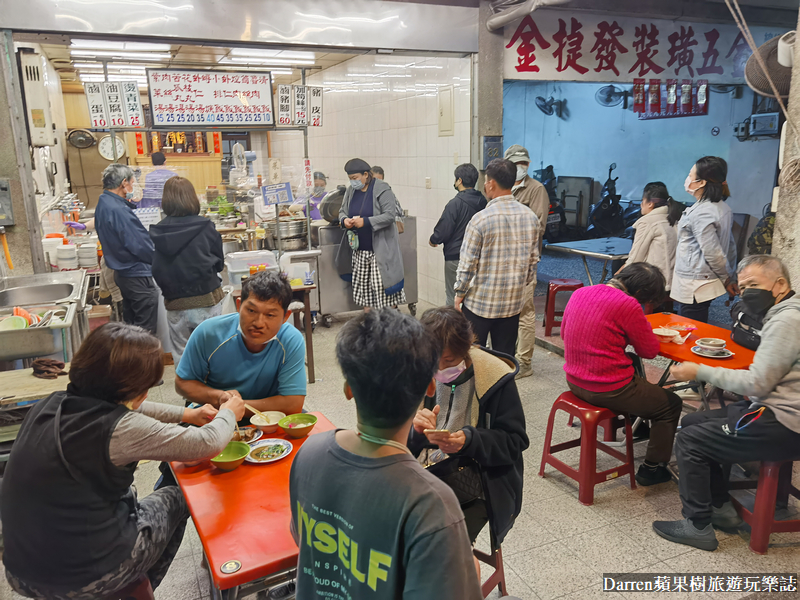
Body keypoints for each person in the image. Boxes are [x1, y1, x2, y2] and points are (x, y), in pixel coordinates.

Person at [1, 323, 245, 599]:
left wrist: (187, 415)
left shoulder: (52, 403)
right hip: (86, 574)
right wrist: (229, 413)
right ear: (134, 390)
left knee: (123, 494)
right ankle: (134, 586)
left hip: (20, 570)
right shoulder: (118, 428)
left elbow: (125, 408)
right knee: (180, 498)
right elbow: (206, 444)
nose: (147, 394)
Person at [289, 309, 483, 600]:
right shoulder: (432, 505)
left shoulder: (309, 454)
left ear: (348, 389)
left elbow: (302, 540)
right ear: (430, 386)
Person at [654, 255, 800, 551]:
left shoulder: (787, 320)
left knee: (691, 440)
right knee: (693, 421)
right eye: (743, 287)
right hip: (772, 406)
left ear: (781, 285)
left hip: (786, 421)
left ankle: (697, 526)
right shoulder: (782, 314)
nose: (747, 293)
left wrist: (699, 371)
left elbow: (757, 383)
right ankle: (719, 507)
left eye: (754, 284)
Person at [409, 307, 529, 546]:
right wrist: (416, 432)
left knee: (441, 546)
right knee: (389, 523)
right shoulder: (420, 370)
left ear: (466, 349)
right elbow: (397, 441)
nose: (440, 368)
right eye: (433, 360)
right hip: (426, 474)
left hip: (478, 482)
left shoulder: (495, 378)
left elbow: (515, 441)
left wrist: (470, 441)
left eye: (449, 361)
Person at [561, 262, 682, 486]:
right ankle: (652, 469)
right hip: (607, 389)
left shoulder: (581, 292)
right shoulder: (628, 304)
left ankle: (639, 424)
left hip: (574, 380)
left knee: (632, 362)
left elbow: (564, 333)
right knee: (671, 404)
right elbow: (649, 351)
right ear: (640, 293)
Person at [175, 271, 306, 415]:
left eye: (270, 315)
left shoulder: (290, 340)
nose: (259, 323)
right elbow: (182, 383)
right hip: (215, 414)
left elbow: (293, 404)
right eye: (251, 310)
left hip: (269, 417)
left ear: (285, 317)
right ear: (238, 305)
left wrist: (237, 407)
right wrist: (219, 397)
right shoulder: (209, 333)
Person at [454, 158, 539, 358]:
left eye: (485, 181)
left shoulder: (480, 219)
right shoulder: (531, 217)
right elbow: (532, 263)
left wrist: (459, 294)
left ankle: (479, 381)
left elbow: (467, 265)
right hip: (512, 305)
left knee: (474, 358)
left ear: (491, 184)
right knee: (505, 359)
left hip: (479, 305)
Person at [149, 176, 225, 365]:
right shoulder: (205, 227)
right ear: (192, 198)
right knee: (212, 354)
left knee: (182, 355)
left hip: (175, 303)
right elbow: (219, 263)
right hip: (206, 300)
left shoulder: (159, 231)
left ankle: (187, 385)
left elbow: (156, 268)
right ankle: (211, 385)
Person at [670, 156, 738, 323]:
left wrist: (726, 278)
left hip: (695, 282)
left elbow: (713, 252)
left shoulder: (702, 212)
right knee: (695, 323)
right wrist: (730, 275)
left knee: (690, 327)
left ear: (701, 182)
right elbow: (730, 246)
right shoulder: (722, 207)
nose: (687, 179)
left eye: (690, 175)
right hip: (701, 279)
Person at [94, 163, 159, 334]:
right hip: (136, 275)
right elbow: (139, 245)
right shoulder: (118, 210)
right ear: (124, 183)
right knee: (144, 332)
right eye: (132, 182)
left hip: (124, 274)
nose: (133, 186)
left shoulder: (105, 202)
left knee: (131, 328)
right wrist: (161, 261)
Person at [504, 145, 549, 379]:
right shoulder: (503, 186)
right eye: (516, 164)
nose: (521, 167)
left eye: (524, 163)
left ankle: (524, 362)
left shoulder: (536, 189)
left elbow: (538, 226)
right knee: (506, 311)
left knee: (524, 312)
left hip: (524, 262)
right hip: (503, 260)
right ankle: (507, 356)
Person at [336, 158, 406, 309]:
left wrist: (365, 221)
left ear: (366, 174)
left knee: (383, 294)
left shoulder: (382, 189)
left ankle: (390, 322)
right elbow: (342, 211)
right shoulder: (351, 191)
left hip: (379, 251)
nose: (353, 181)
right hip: (359, 251)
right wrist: (344, 220)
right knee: (366, 296)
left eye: (355, 178)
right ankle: (370, 322)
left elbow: (389, 215)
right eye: (350, 178)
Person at [429, 163, 487, 306]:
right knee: (474, 298)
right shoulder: (483, 202)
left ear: (459, 180)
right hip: (478, 257)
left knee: (453, 296)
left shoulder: (454, 204)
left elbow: (444, 230)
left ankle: (454, 321)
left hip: (456, 257)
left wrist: (433, 240)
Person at [617, 182, 684, 292]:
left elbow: (636, 258)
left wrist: (618, 277)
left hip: (655, 283)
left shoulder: (647, 222)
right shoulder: (674, 219)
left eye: (642, 200)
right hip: (675, 282)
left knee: (617, 274)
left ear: (650, 204)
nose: (641, 204)